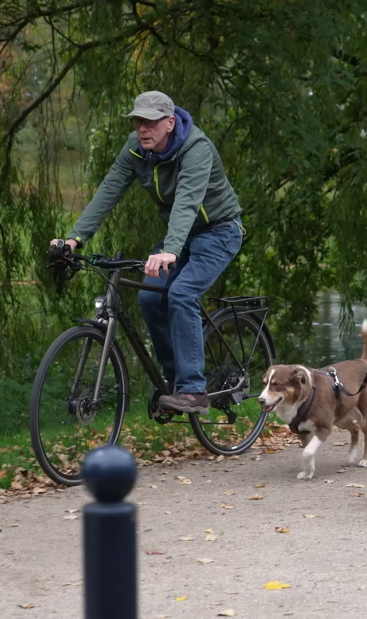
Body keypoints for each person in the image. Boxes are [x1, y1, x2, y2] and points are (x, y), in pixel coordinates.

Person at [49, 91, 243, 415]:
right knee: (151, 297)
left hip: (219, 231)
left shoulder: (196, 147)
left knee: (181, 293)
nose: (142, 128)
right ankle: (173, 382)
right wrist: (74, 240)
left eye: (150, 121)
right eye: (138, 121)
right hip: (177, 236)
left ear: (169, 123)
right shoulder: (136, 150)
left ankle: (194, 390)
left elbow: (187, 201)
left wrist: (169, 251)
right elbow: (108, 191)